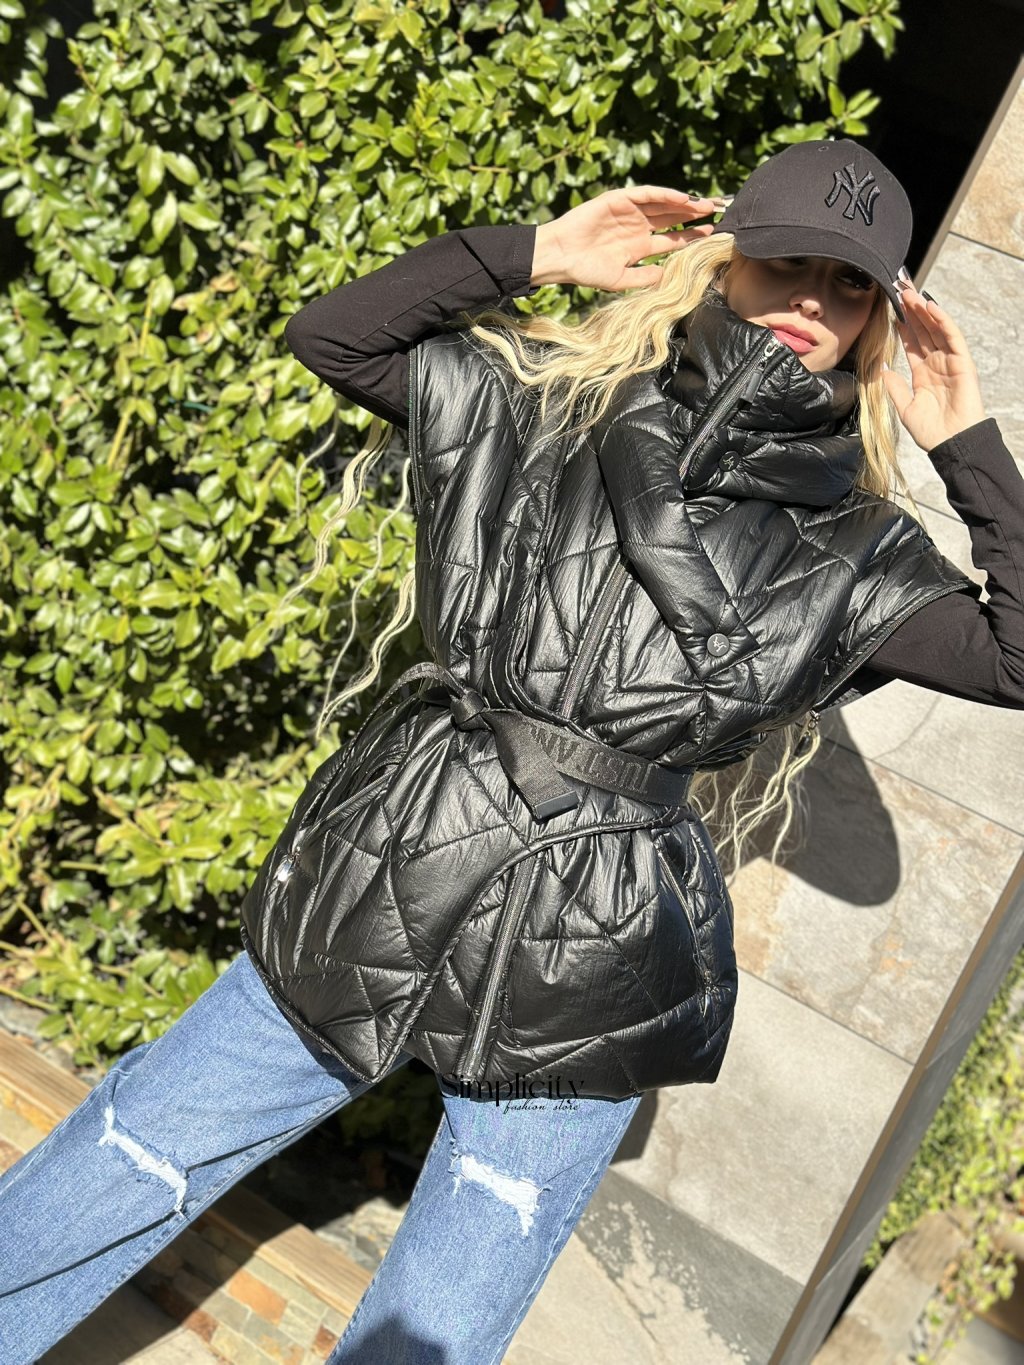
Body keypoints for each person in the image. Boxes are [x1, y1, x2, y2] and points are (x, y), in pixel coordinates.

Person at [1, 139, 1021, 1365]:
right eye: (786, 262)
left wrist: (966, 441)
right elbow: (334, 339)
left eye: (847, 284)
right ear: (722, 261)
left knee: (433, 1331)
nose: (810, 299)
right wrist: (536, 253)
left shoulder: (858, 551)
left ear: (877, 321)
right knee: (131, 1156)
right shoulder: (544, 402)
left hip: (597, 947)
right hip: (397, 853)